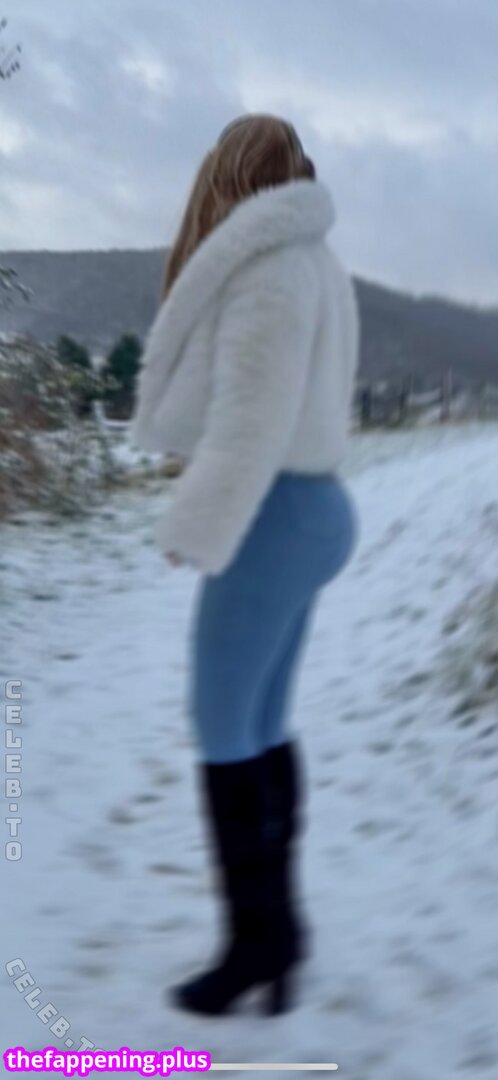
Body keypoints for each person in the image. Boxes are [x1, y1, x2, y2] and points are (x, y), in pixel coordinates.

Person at [130, 113, 360, 1016]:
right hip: (311, 506)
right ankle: (280, 933)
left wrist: (198, 523)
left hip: (272, 513)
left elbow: (251, 422)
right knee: (260, 722)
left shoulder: (268, 269)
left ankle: (252, 945)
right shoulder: (317, 260)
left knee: (221, 722)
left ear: (227, 176)